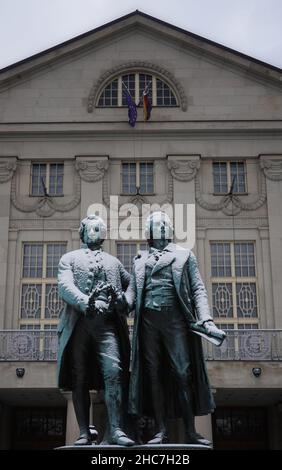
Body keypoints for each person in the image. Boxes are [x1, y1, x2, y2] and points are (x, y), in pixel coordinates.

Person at [125, 211, 226, 445]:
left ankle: (190, 430)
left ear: (169, 230)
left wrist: (207, 320)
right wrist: (119, 302)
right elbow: (131, 295)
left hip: (175, 322)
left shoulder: (184, 255)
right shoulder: (139, 260)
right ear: (148, 232)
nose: (159, 229)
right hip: (148, 323)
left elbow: (198, 289)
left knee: (182, 374)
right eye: (155, 225)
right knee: (153, 376)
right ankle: (161, 431)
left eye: (163, 225)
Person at [57, 215, 134, 446]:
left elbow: (132, 285)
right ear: (82, 232)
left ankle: (116, 430)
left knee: (114, 372)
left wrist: (125, 302)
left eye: (99, 227)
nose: (96, 230)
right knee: (79, 377)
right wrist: (86, 302)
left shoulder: (114, 262)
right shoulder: (69, 258)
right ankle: (83, 431)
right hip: (79, 325)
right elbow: (65, 286)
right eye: (91, 227)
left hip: (107, 326)